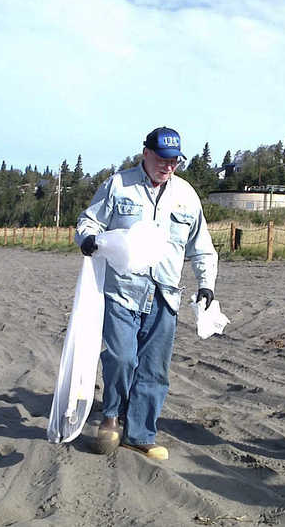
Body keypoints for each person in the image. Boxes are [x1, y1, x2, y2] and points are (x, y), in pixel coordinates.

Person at [75, 126, 218, 461]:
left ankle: (140, 435)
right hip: (122, 290)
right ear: (146, 153)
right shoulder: (117, 185)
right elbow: (88, 222)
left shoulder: (186, 195)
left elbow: (202, 248)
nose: (168, 167)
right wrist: (87, 239)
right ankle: (111, 417)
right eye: (162, 159)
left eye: (175, 161)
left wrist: (206, 283)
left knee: (154, 368)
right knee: (122, 357)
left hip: (165, 294)